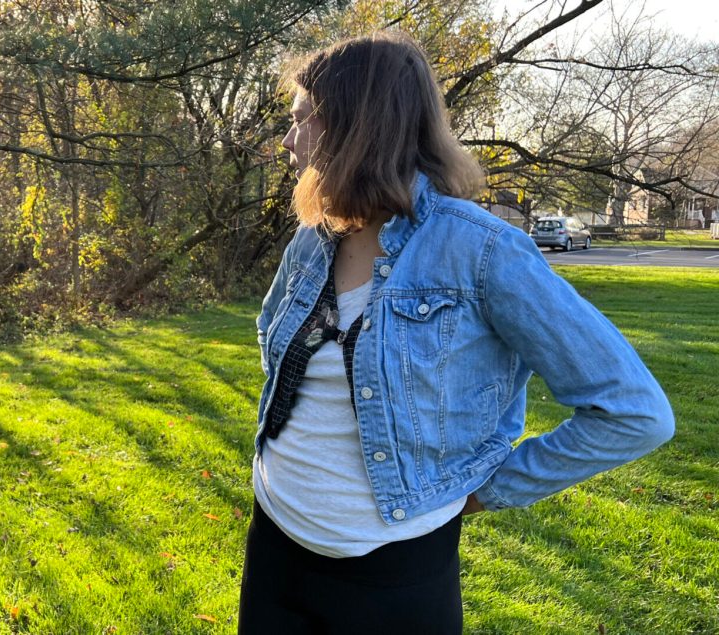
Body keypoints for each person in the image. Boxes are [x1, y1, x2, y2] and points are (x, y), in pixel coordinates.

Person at [240, 32, 674, 634]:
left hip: (394, 575)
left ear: (355, 125)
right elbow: (271, 334)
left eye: (302, 121)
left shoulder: (483, 250)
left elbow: (635, 412)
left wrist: (483, 490)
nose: (289, 140)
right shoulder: (315, 237)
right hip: (273, 545)